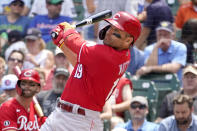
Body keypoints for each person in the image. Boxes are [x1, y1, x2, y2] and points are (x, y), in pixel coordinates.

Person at [40, 11, 141, 130]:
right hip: (60, 113)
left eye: (116, 32)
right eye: (110, 28)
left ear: (128, 41)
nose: (108, 33)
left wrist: (67, 30)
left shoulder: (111, 57)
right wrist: (62, 43)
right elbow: (80, 66)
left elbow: (75, 42)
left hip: (81, 121)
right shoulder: (115, 54)